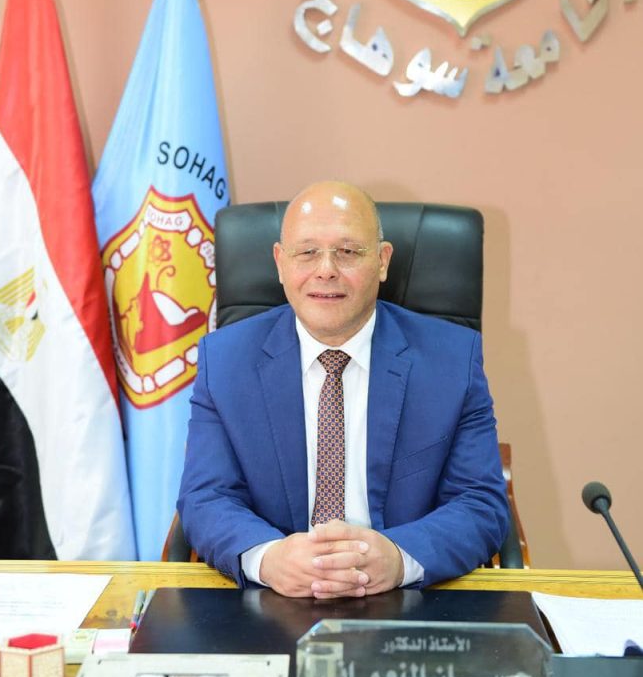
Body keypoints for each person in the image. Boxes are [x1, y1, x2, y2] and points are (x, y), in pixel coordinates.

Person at [177, 181, 508, 598]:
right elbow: (206, 497)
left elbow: (480, 502)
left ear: (383, 261)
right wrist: (269, 558)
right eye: (307, 252)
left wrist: (399, 558)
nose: (326, 270)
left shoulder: (451, 360)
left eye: (348, 251)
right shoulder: (226, 360)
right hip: (271, 596)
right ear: (280, 263)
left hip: (409, 598)